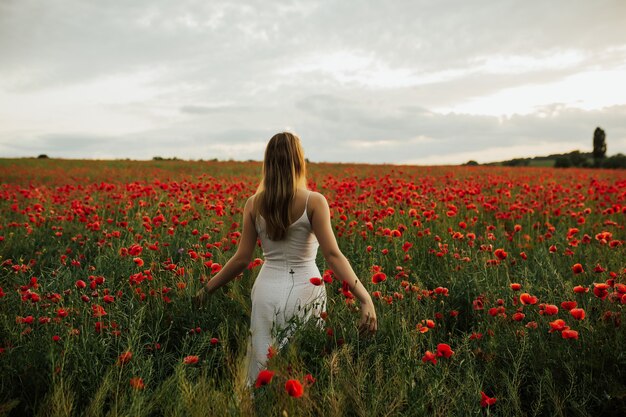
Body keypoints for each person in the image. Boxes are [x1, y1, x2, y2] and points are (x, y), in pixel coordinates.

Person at [194, 132, 377, 387]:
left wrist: (206, 289)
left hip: (266, 291)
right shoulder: (314, 201)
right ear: (299, 161)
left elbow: (241, 260)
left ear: (267, 163)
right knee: (302, 364)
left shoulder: (253, 204)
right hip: (307, 290)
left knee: (262, 365)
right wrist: (364, 297)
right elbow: (333, 255)